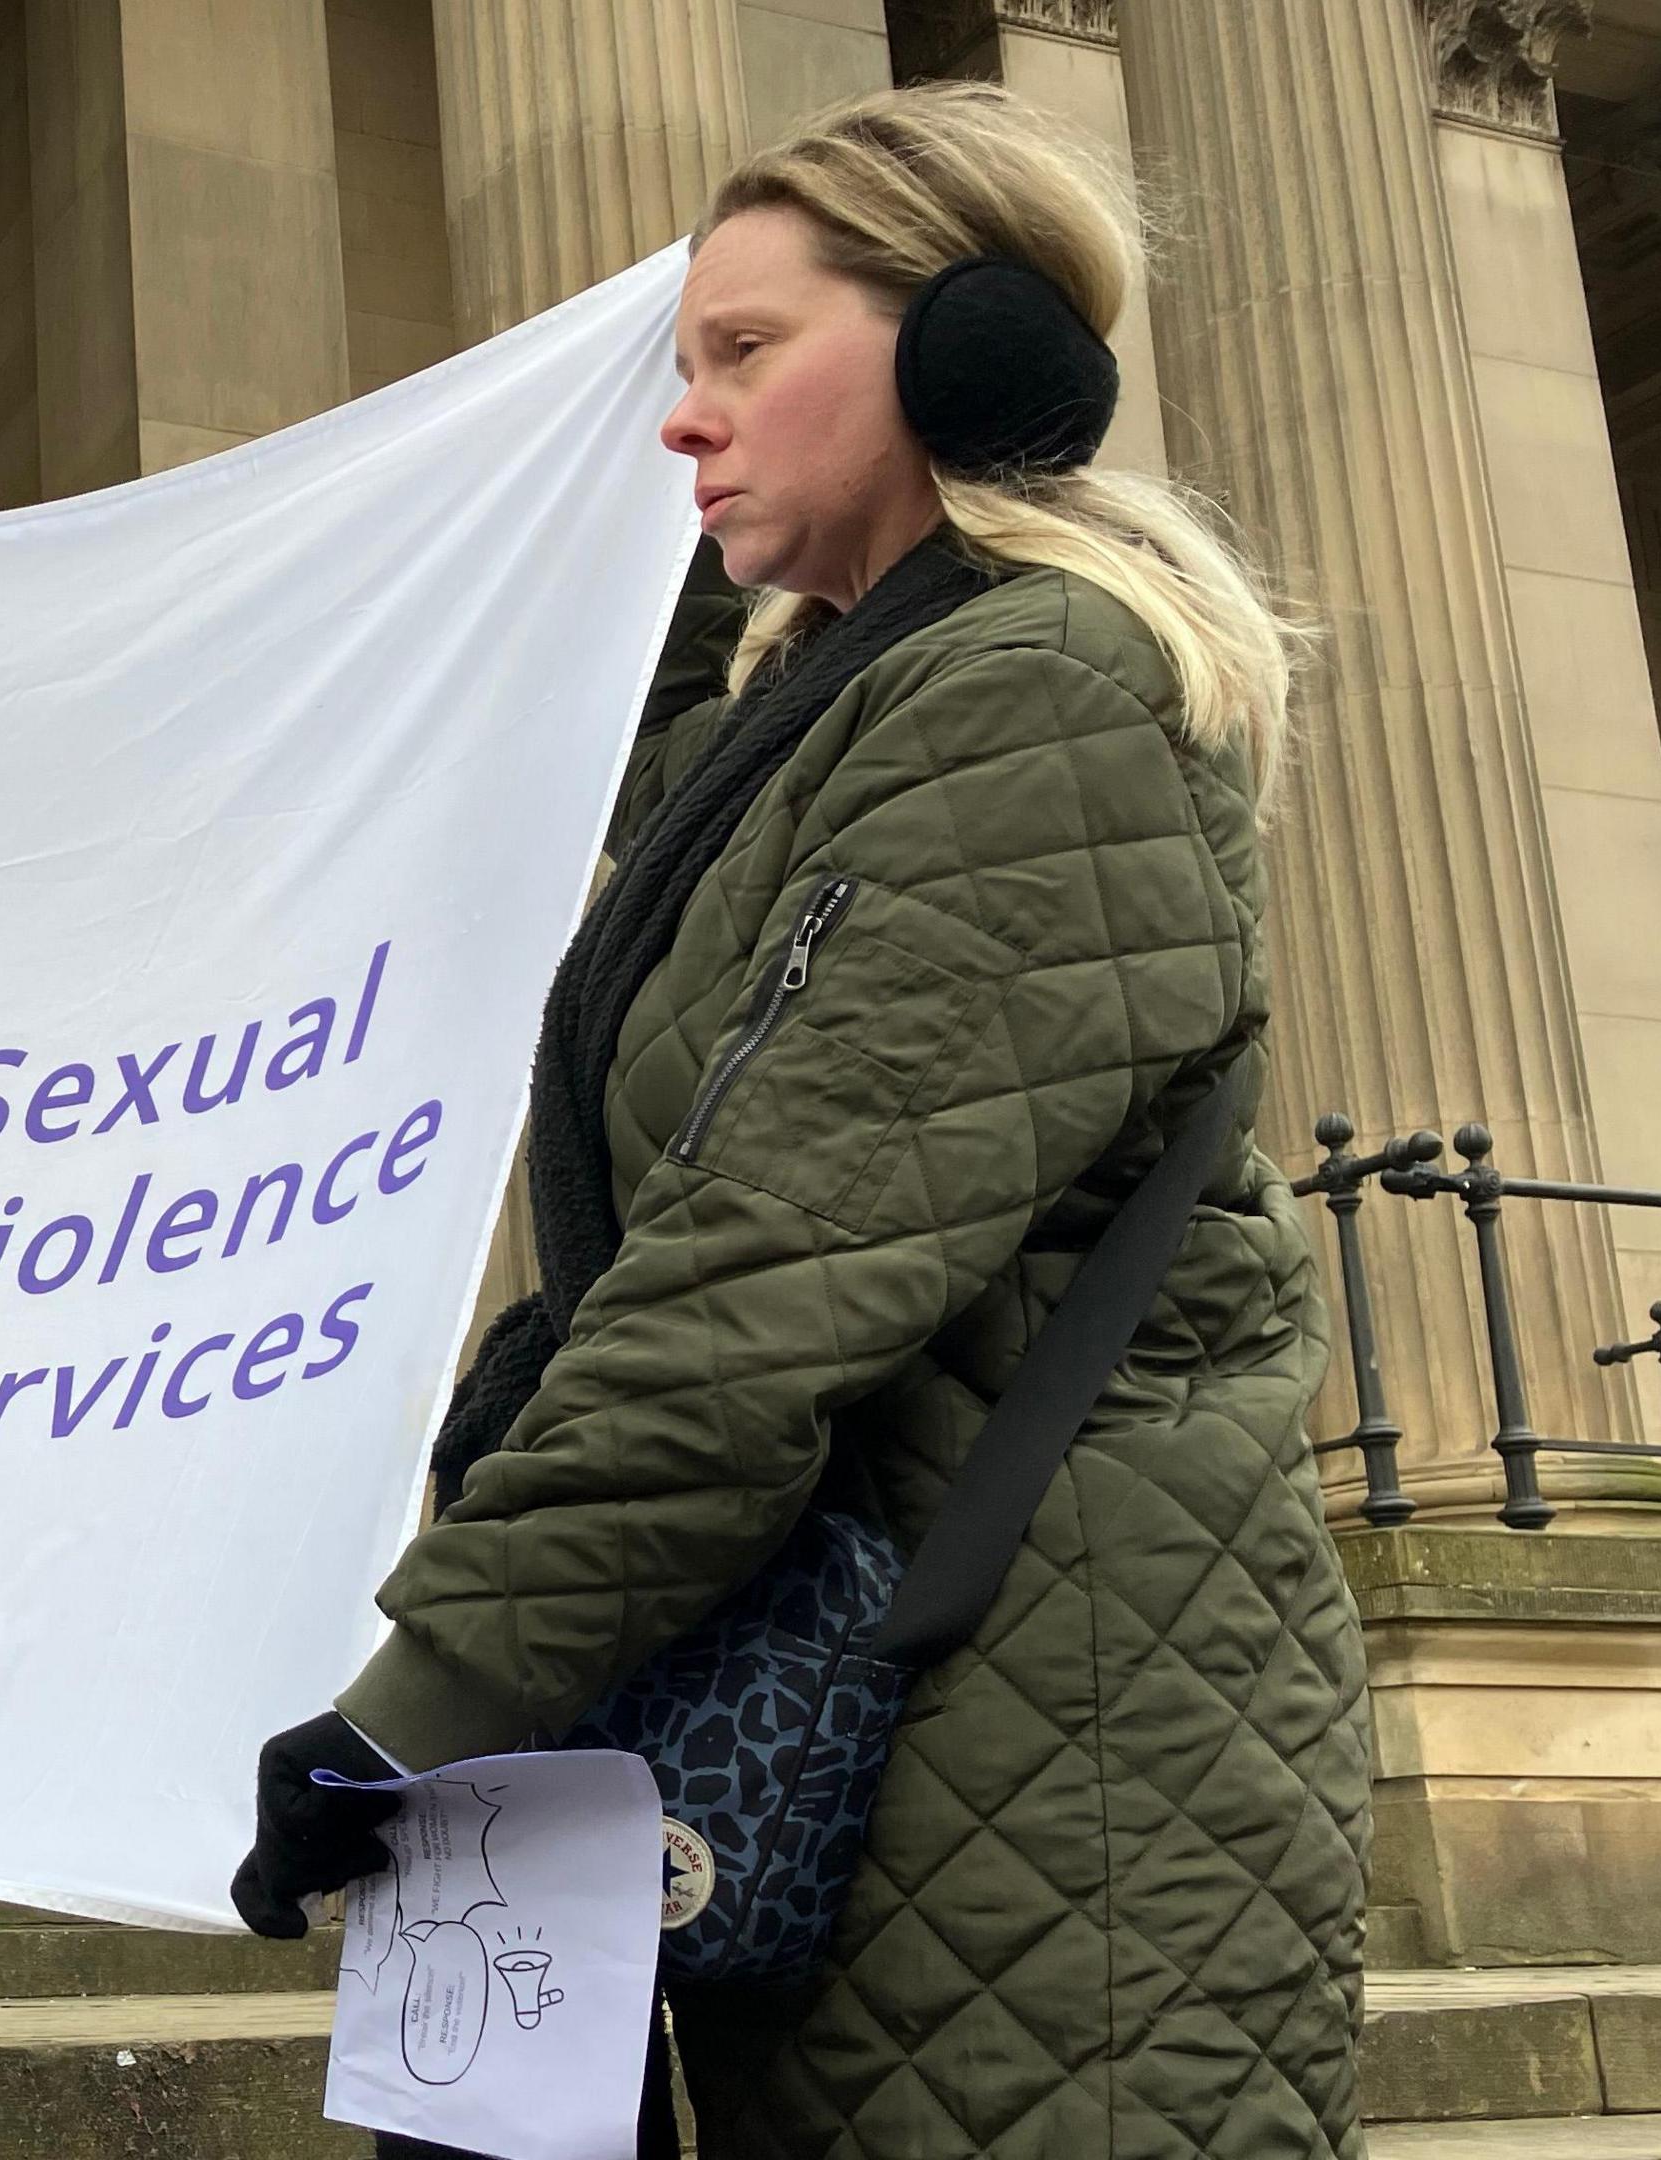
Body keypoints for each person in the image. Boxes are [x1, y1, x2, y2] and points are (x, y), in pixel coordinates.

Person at [232, 82, 1372, 2160]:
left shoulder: (1041, 690)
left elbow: (761, 1277)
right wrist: (610, 460)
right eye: (681, 371)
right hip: (914, 1749)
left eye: (745, 354)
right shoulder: (840, 703)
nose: (690, 413)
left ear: (969, 355)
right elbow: (655, 800)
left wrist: (420, 1712)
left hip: (1059, 1775)